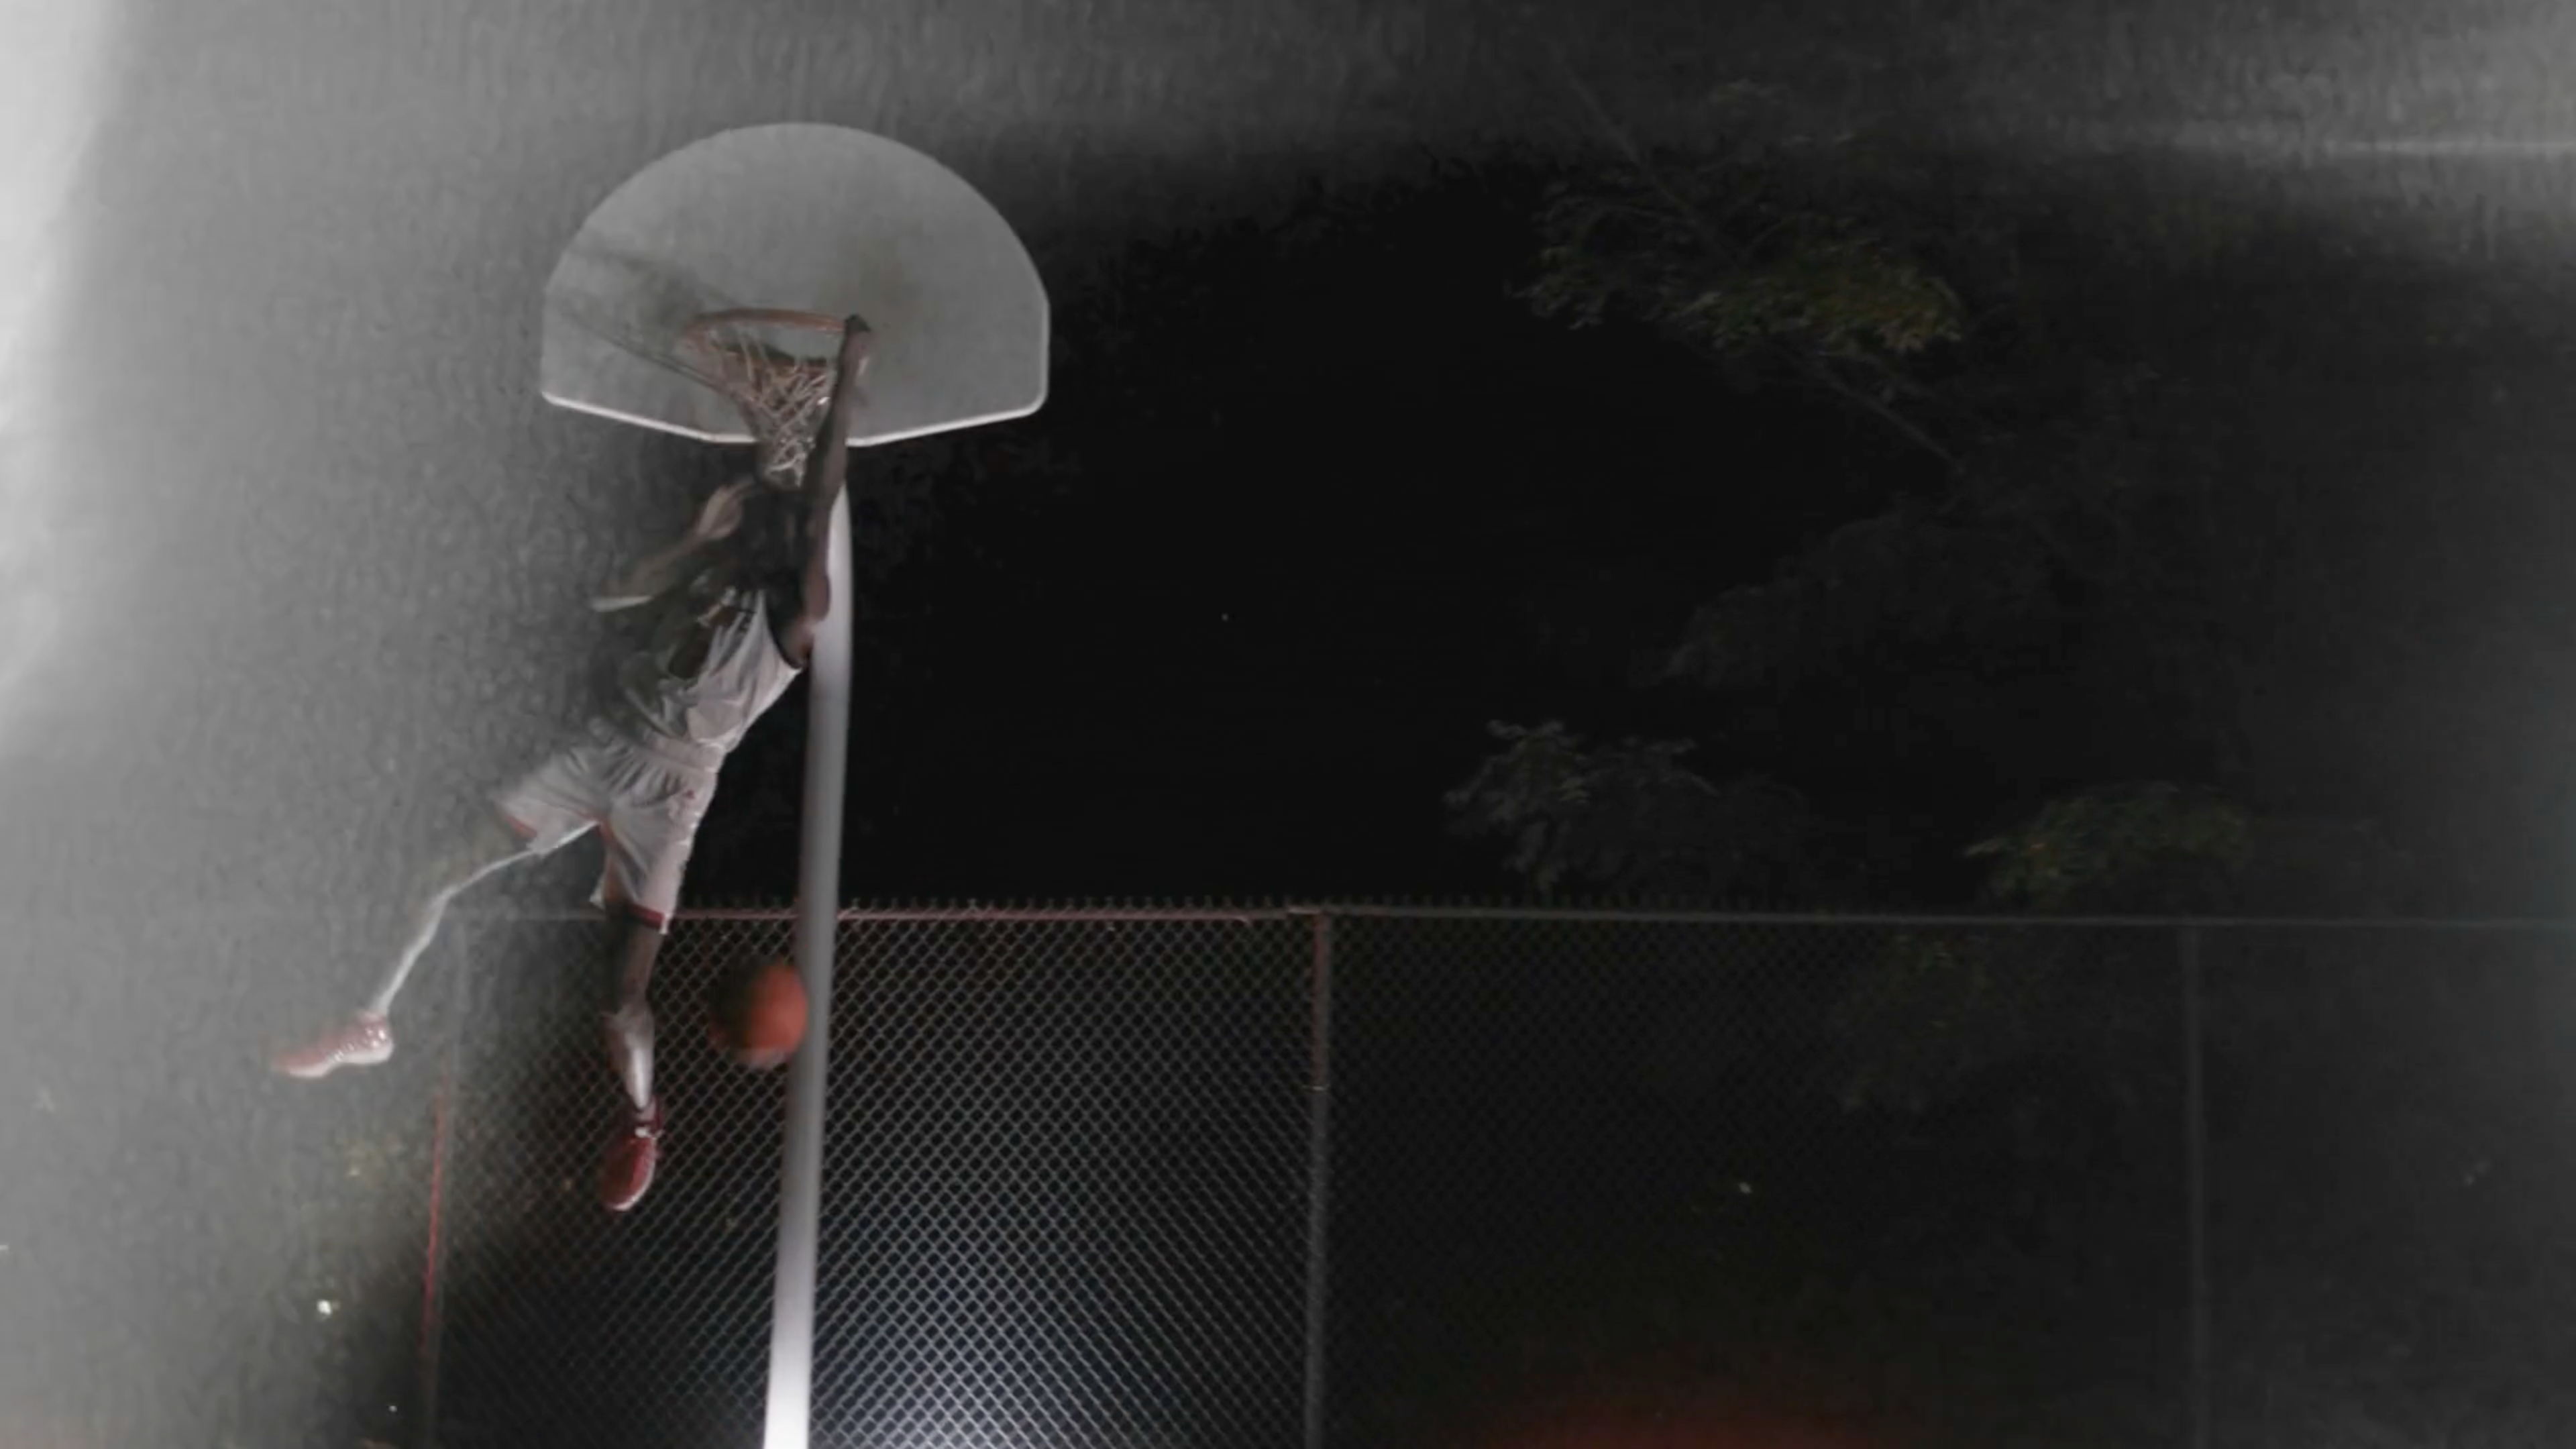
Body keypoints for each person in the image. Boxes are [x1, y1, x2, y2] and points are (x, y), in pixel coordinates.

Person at [272, 317, 871, 1213]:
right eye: (752, 512)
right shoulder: (710, 572)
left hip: (672, 789)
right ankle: (369, 1023)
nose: (757, 518)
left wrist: (850, 375)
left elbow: (820, 500)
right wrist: (694, 540)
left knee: (619, 999)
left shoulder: (799, 613)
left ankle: (641, 1118)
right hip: (599, 747)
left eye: (770, 517)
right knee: (440, 872)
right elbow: (611, 594)